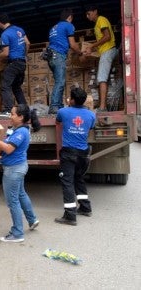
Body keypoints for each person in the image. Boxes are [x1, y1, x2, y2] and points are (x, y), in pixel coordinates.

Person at [0, 104, 40, 243]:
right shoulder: (17, 129)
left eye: (13, 114)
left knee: (13, 201)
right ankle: (32, 220)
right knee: (20, 194)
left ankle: (17, 233)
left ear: (21, 117)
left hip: (14, 169)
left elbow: (8, 149)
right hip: (17, 167)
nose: (10, 116)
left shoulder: (21, 132)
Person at [54, 87, 95, 226]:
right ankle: (85, 207)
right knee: (79, 179)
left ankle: (70, 216)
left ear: (71, 100)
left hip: (69, 153)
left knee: (67, 182)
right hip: (83, 153)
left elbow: (58, 122)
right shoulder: (91, 115)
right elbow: (90, 128)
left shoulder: (63, 112)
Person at [0, 13, 30, 114]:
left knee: (5, 85)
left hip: (14, 63)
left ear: (0, 23)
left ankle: (9, 109)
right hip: (22, 63)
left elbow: (6, 53)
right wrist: (24, 55)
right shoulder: (19, 29)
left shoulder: (5, 34)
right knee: (16, 87)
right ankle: (24, 109)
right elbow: (28, 43)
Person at [47, 9, 83, 114]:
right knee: (60, 82)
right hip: (58, 55)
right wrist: (80, 52)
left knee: (59, 81)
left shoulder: (54, 27)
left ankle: (59, 105)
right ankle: (54, 106)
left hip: (50, 56)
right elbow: (72, 44)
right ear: (70, 17)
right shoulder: (68, 25)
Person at [84, 5, 118, 112]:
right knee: (101, 78)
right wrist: (90, 52)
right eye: (87, 15)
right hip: (105, 51)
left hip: (108, 51)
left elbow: (107, 37)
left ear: (95, 11)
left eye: (89, 13)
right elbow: (101, 46)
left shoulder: (101, 20)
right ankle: (103, 106)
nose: (88, 16)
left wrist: (91, 46)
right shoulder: (96, 25)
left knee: (102, 78)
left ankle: (103, 108)